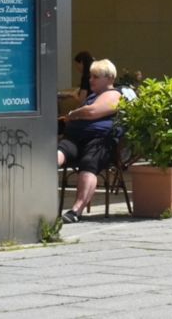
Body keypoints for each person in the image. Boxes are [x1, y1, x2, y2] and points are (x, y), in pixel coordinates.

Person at [56, 57, 122, 223]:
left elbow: (92, 112)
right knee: (57, 154)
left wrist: (73, 114)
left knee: (88, 162)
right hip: (75, 139)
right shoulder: (94, 95)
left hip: (98, 141)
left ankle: (76, 211)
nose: (90, 80)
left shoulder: (114, 94)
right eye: (91, 76)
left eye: (95, 77)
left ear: (109, 79)